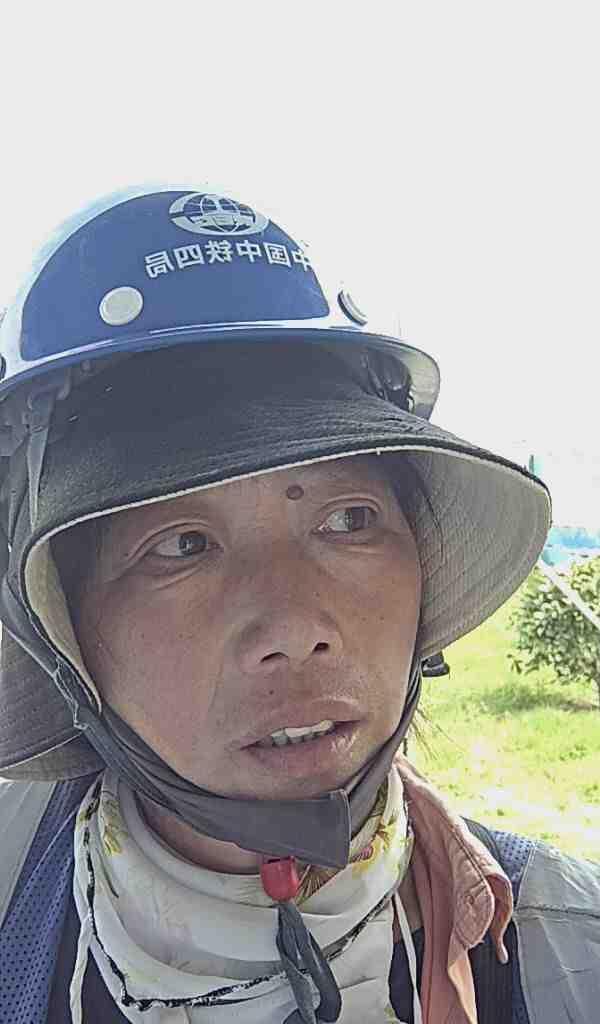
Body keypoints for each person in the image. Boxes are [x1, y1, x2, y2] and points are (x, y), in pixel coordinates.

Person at [0, 186, 597, 1024]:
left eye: (348, 521)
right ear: (61, 630)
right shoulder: (13, 886)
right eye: (182, 545)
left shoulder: (567, 953)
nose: (295, 630)